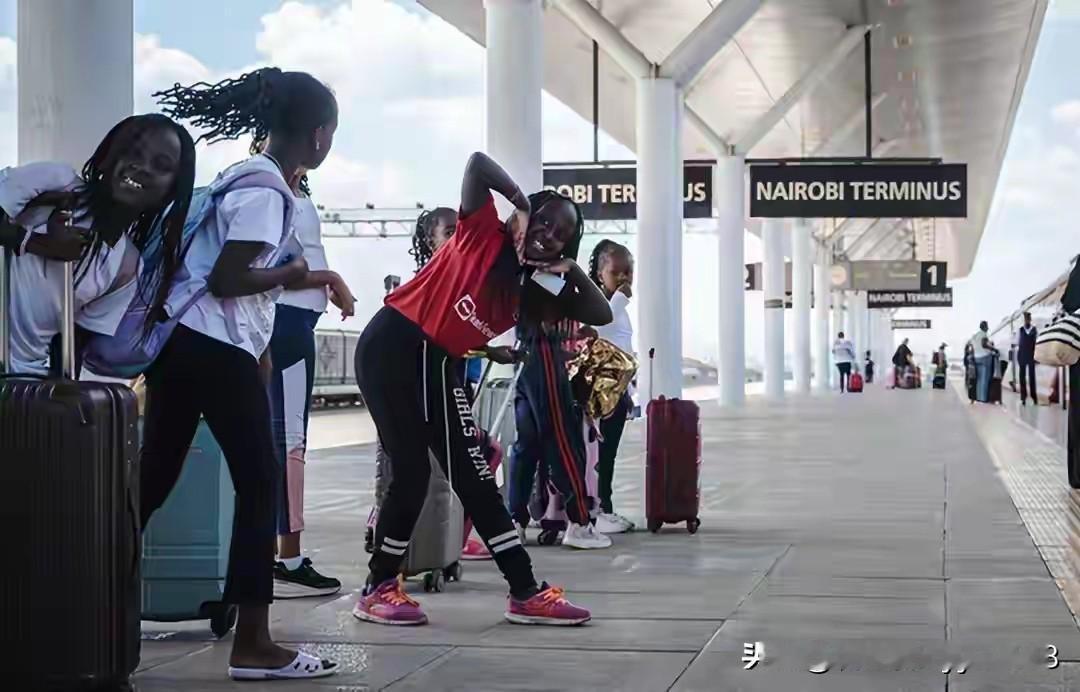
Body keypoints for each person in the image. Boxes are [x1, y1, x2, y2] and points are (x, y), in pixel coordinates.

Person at [352, 151, 611, 627]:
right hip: (395, 346)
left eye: (561, 233)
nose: (547, 233)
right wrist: (520, 203)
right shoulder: (483, 232)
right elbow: (476, 165)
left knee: (470, 475)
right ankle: (380, 587)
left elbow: (601, 313)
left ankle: (523, 591)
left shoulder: (533, 285)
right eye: (545, 220)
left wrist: (571, 268)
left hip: (437, 362)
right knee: (416, 472)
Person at [143, 68, 340, 680]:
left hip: (184, 345)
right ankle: (254, 644)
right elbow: (229, 279)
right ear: (318, 134)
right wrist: (290, 274)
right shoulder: (268, 192)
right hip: (212, 348)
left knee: (149, 484)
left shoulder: (241, 176)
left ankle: (83, 600)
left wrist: (262, 346)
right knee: (260, 485)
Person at [0, 114, 196, 376]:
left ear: (171, 190)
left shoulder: (127, 266)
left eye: (161, 165)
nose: (143, 167)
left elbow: (71, 340)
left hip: (24, 377)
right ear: (106, 157)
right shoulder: (56, 181)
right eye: (133, 152)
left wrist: (64, 389)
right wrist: (35, 242)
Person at [266, 158, 356, 599]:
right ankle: (288, 561)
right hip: (285, 324)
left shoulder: (293, 192)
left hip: (294, 323)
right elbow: (273, 266)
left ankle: (272, 555)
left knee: (281, 440)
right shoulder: (272, 191)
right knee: (289, 440)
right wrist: (331, 278)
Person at [587, 239, 636, 535]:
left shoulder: (620, 307)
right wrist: (619, 299)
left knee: (610, 454)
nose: (623, 278)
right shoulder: (597, 303)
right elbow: (596, 327)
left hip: (618, 391)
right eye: (615, 272)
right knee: (598, 455)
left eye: (628, 272)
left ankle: (605, 506)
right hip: (599, 394)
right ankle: (597, 509)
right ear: (599, 273)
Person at [970, 320, 995, 403]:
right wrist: (994, 349)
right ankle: (983, 398)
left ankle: (978, 397)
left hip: (977, 358)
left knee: (979, 379)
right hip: (985, 358)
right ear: (984, 327)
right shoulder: (983, 334)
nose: (988, 328)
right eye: (987, 326)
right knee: (985, 379)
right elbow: (984, 344)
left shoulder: (975, 335)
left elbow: (972, 348)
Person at [1017, 311, 1039, 406]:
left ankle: (1034, 397)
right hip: (1022, 355)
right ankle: (1023, 397)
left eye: (1028, 319)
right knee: (1022, 377)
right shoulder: (1020, 330)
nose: (1027, 320)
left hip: (1031, 355)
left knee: (1032, 377)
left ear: (1030, 320)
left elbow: (1037, 343)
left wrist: (1037, 356)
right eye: (1025, 319)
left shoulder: (1034, 330)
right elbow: (1017, 343)